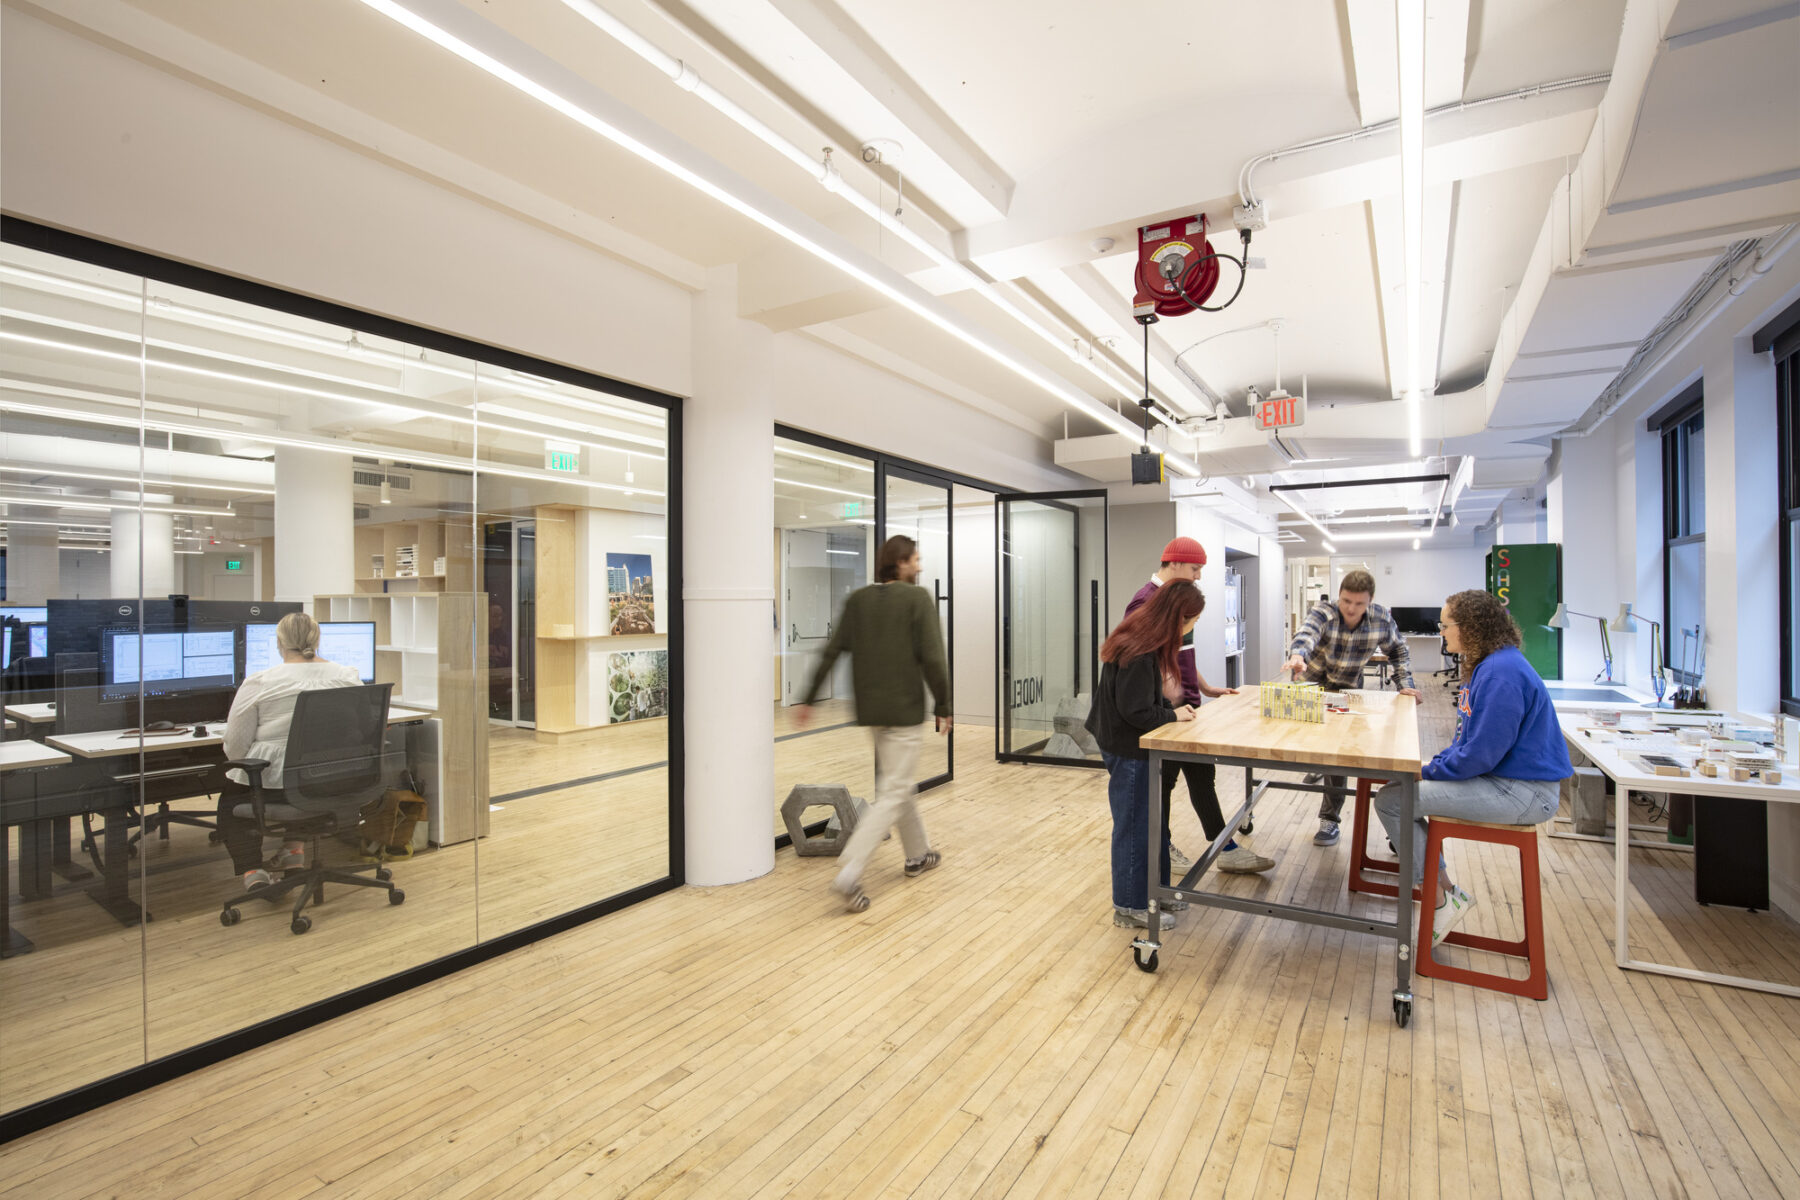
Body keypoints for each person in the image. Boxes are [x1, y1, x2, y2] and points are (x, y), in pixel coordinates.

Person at [1373, 589, 1571, 944]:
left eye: (1445, 625)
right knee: (1397, 790)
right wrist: (1433, 765)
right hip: (1508, 781)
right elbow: (1468, 742)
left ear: (1470, 627)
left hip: (1524, 792)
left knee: (1392, 800)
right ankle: (1445, 891)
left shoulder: (1500, 674)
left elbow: (1480, 755)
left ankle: (1437, 898)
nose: (1441, 632)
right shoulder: (1491, 665)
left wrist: (1429, 771)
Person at [797, 535, 952, 913]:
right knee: (895, 790)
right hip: (903, 713)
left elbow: (832, 650)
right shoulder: (916, 599)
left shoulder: (859, 601)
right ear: (899, 562)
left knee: (898, 784)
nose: (919, 566)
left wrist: (810, 696)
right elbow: (933, 657)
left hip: (873, 714)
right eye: (915, 560)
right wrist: (945, 704)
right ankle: (849, 870)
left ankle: (918, 855)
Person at [1123, 537, 1272, 875]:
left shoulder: (1178, 601)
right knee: (1164, 782)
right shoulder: (1145, 602)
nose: (1198, 576)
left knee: (1201, 774)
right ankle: (1166, 847)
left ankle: (1225, 847)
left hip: (1186, 707)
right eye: (1195, 569)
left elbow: (1178, 654)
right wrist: (1168, 711)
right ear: (1173, 563)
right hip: (1164, 713)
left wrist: (1205, 687)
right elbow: (1145, 664)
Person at [1086, 578, 1204, 930]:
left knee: (1152, 824)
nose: (1192, 628)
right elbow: (1135, 711)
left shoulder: (1145, 637)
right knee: (1135, 826)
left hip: (1132, 743)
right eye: (1192, 620)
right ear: (1177, 617)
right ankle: (1130, 905)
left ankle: (1157, 891)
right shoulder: (1139, 649)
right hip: (1128, 746)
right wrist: (1173, 714)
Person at [219, 612, 363, 891]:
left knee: (231, 800)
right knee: (304, 782)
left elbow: (235, 748)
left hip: (283, 785)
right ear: (317, 640)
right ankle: (293, 855)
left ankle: (254, 872)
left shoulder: (261, 682)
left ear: (279, 643)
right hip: (336, 781)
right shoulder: (348, 677)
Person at [1283, 569, 1422, 847]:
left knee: (1340, 754)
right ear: (1339, 596)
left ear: (1370, 601)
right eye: (1346, 601)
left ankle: (1329, 820)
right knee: (1314, 745)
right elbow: (1306, 634)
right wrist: (1298, 655)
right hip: (1312, 685)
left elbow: (1398, 649)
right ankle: (1319, 763)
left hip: (1348, 688)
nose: (1351, 608)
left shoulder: (1381, 618)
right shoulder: (1324, 612)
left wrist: (1404, 684)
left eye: (1359, 604)